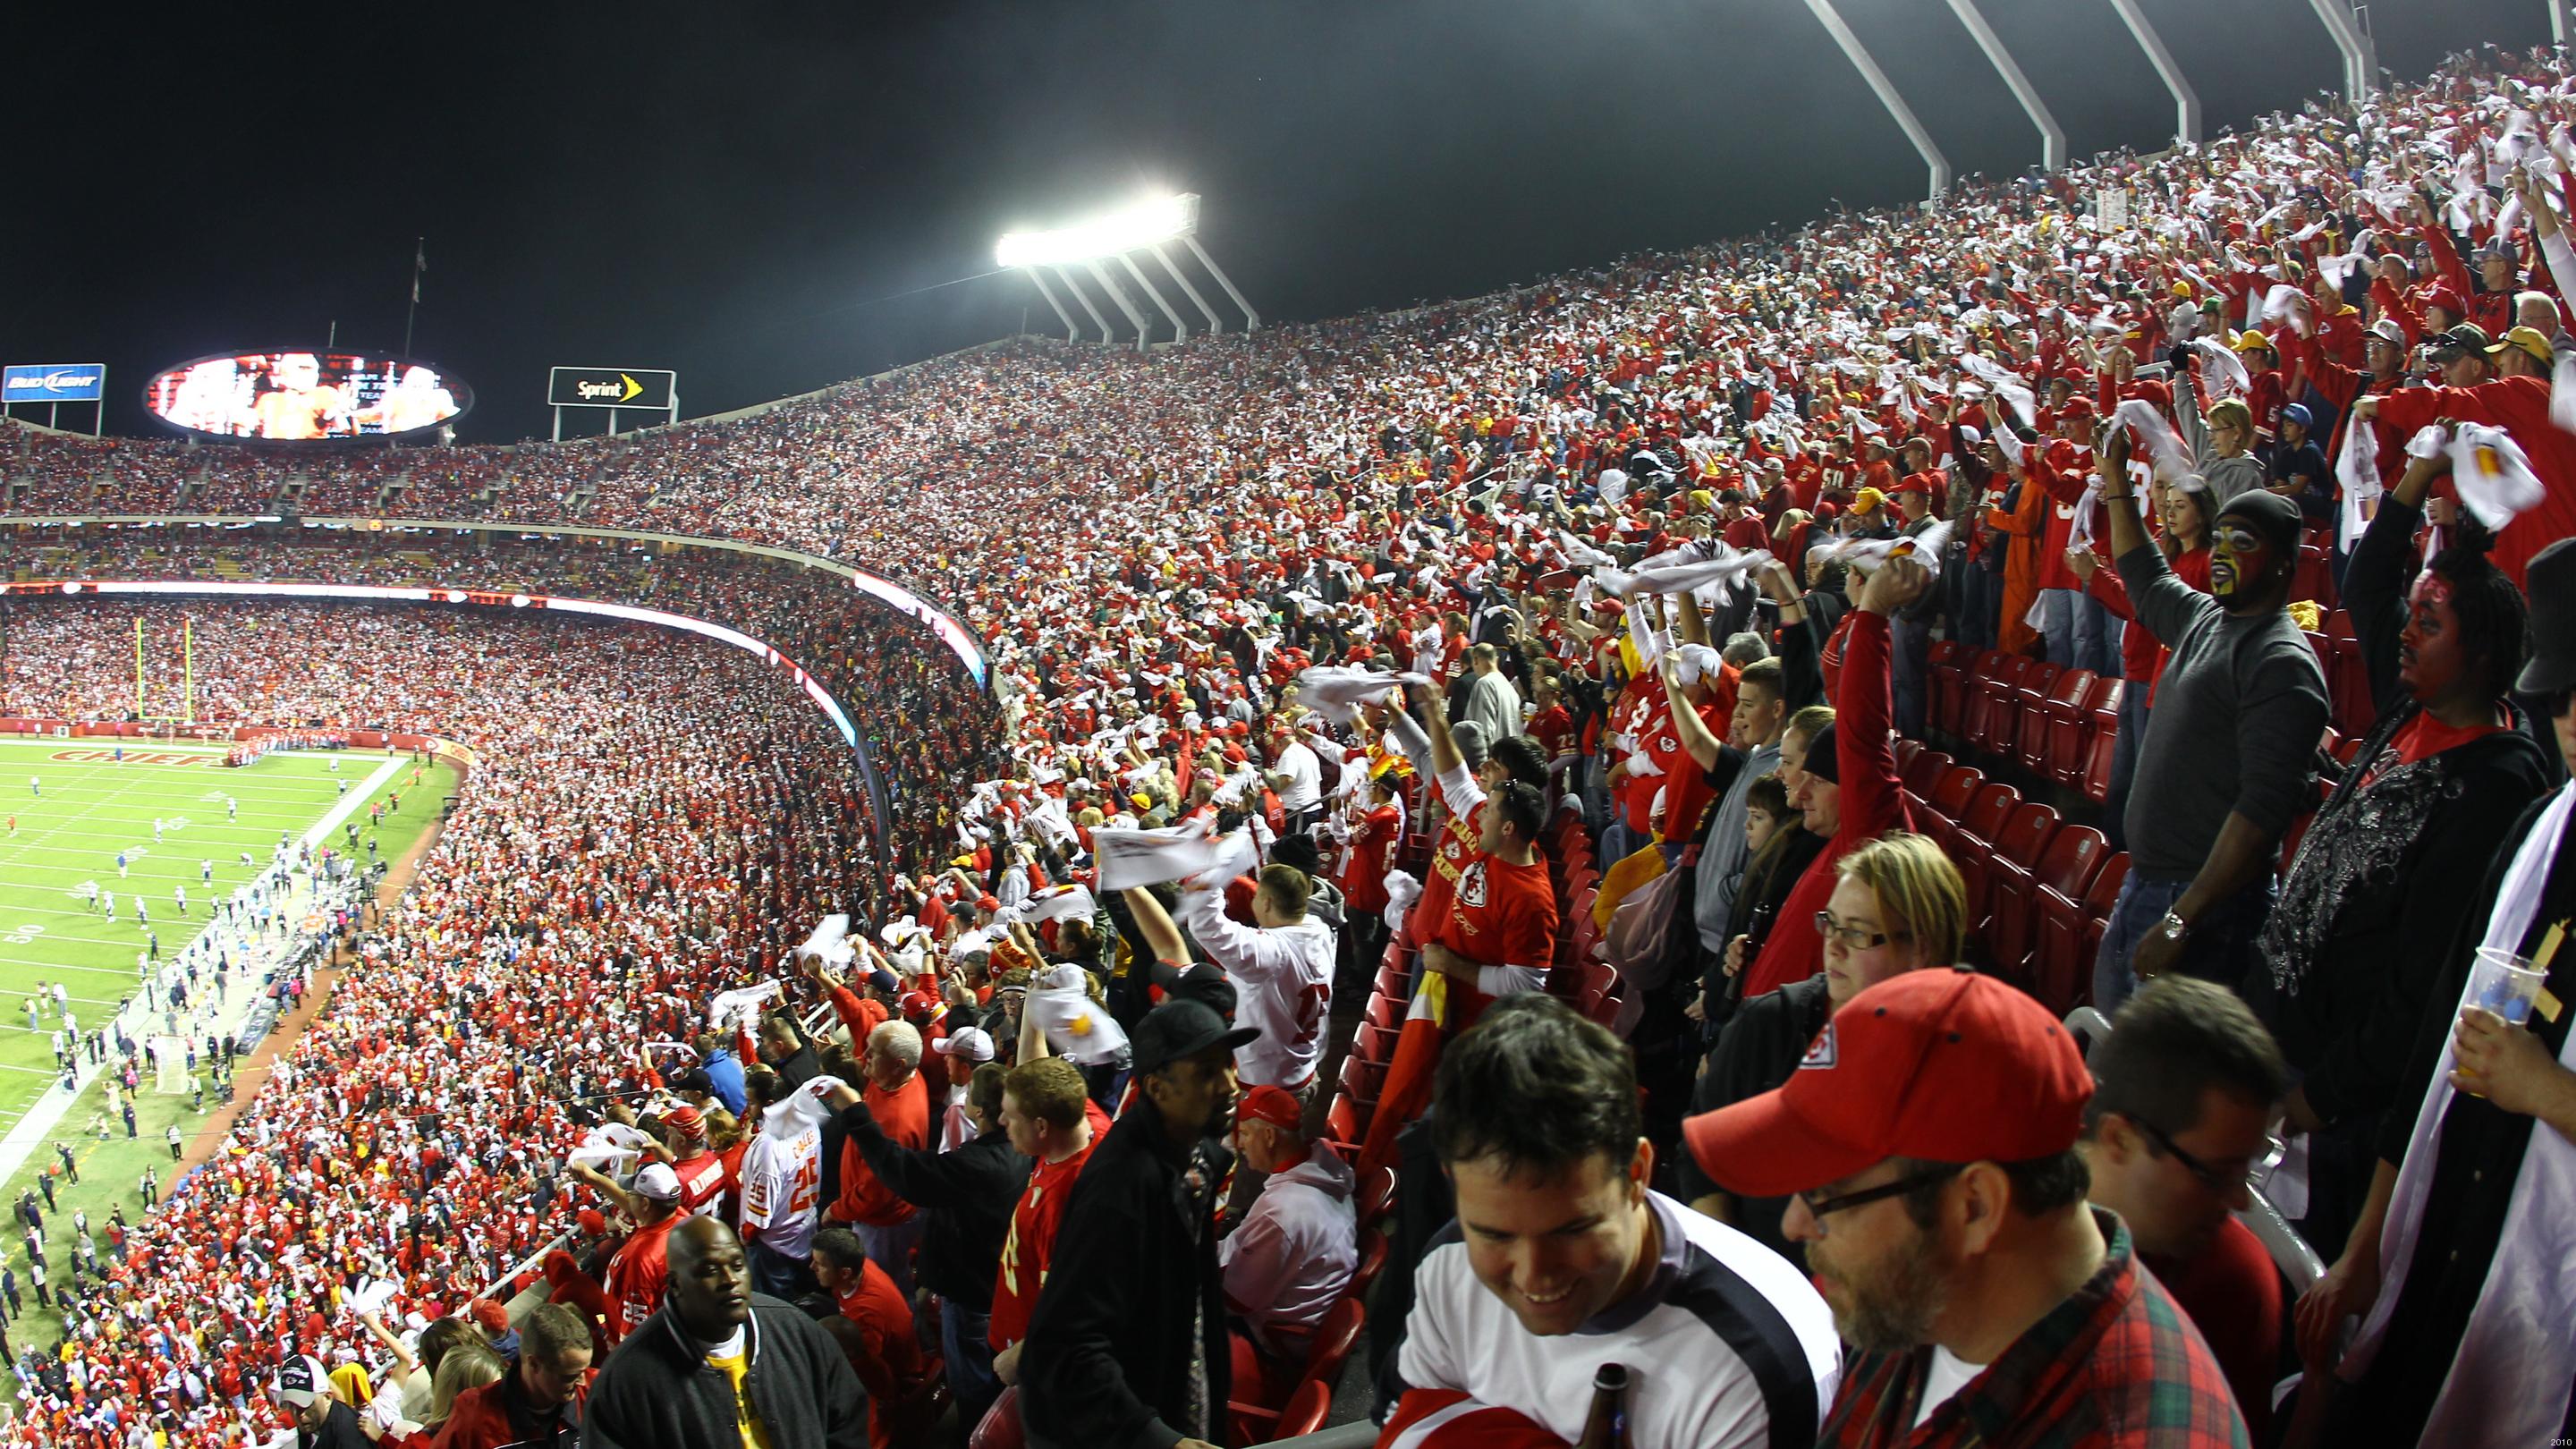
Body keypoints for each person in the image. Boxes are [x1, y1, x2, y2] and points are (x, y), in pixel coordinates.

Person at [1689, 970, 2248, 1446]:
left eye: (1825, 1196)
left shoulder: (2137, 1430)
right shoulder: (1919, 1294)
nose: (1794, 1224)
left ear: (1976, 1206)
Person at [2298, 538, 2576, 1448]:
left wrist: (2551, 1093)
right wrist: (2372, 1243)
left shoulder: (2503, 789)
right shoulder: (2549, 825)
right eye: (2559, 700)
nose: (2567, 723)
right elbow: (2443, 1042)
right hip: (2451, 1247)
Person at [2251, 447, 2547, 1252]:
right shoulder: (2408, 706)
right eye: (2412, 617)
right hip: (2287, 1040)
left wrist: (2322, 1096)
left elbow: (2423, 977)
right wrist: (2421, 471)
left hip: (2341, 1104)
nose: (2405, 632)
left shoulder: (2493, 782)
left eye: (2430, 622)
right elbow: (2369, 579)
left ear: (2482, 652)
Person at [1385, 993, 1841, 1445]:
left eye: (1572, 1230)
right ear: (1454, 1183)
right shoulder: (1449, 1262)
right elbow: (1407, 1423)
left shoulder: (1757, 1368)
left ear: (1638, 1173)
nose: (1535, 1274)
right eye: (1494, 1234)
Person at [2090, 432, 2328, 1013]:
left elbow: (2260, 814)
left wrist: (2182, 920)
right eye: (2219, 537)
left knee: (2162, 1083)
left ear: (2282, 565)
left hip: (2205, 908)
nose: (2221, 552)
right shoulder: (2205, 616)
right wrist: (2119, 483)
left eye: (2241, 542)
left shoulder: (2281, 662)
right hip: (2150, 883)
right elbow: (2146, 577)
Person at [1681, 833, 1967, 1262]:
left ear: (1922, 949)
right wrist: (1737, 1270)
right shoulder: (1769, 1023)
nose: (1831, 945)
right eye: (1829, 922)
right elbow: (1702, 1155)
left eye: (1857, 933)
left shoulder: (1960, 1062)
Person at [1019, 998, 1256, 1449]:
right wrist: (1157, 1437)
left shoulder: (1196, 1155)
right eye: (1206, 1073)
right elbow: (1067, 1346)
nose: (1230, 1086)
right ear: (1157, 1088)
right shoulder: (1121, 1189)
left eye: (1228, 1066)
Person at [2078, 979, 2291, 1443]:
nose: (2240, 1201)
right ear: (2119, 1138)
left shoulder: (2236, 1281)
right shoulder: (2001, 1224)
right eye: (2216, 1173)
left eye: (2247, 1169)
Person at [821, 1060, 1023, 1430]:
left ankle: (978, 1433)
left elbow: (906, 1174)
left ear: (977, 1110)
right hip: (989, 1280)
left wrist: (855, 1113)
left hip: (970, 1294)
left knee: (972, 1382)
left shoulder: (979, 1163)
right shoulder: (1019, 1147)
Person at [582, 1216, 868, 1449]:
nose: (730, 1280)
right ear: (675, 1284)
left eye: (736, 1265)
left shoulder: (797, 1331)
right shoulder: (626, 1379)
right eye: (709, 1270)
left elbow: (848, 1418)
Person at [1220, 1083, 1357, 1430]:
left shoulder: (1284, 1214)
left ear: (1267, 1136)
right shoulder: (1323, 1159)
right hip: (1302, 1318)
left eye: (1245, 1134)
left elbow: (1236, 1301)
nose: (1239, 1144)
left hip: (1276, 1345)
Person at [989, 1055, 1109, 1393]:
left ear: (1041, 1127)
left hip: (1033, 1356)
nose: (1001, 1121)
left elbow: (1072, 1306)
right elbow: (1037, 1072)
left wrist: (1023, 1356)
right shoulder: (1084, 1122)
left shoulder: (1064, 1208)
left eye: (1010, 1117)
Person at [1176, 862, 1335, 1097]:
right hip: (1304, 1067)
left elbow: (1208, 927)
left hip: (1267, 1084)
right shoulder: (1320, 930)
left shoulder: (1271, 953)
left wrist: (1208, 877)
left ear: (1267, 902)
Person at [824, 1021, 928, 1301]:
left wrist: (837, 1210)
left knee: (885, 1286)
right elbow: (861, 1023)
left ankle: (901, 1334)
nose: (863, 1056)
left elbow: (876, 1191)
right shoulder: (903, 1076)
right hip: (885, 1215)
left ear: (898, 1064)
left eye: (873, 1053)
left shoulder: (896, 1121)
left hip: (882, 1223)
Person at [808, 1226, 935, 1449]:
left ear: (845, 1272)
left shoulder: (865, 1316)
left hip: (894, 1374)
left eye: (820, 1264)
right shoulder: (861, 1268)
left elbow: (869, 1369)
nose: (812, 1267)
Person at [430, 1301, 589, 1448]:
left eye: (583, 1371)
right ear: (534, 1364)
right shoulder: (474, 1413)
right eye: (569, 1376)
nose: (582, 1381)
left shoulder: (595, 1389)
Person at [594, 1162, 684, 1343]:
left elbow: (636, 1336)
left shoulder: (640, 1258)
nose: (628, 1198)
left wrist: (621, 1356)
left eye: (631, 1194)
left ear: (644, 1203)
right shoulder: (683, 1220)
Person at [277, 1352, 380, 1447]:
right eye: (291, 1404)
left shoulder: (348, 1439)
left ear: (327, 1398)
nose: (297, 1413)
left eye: (305, 1404)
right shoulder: (314, 1421)